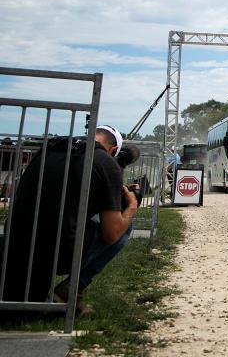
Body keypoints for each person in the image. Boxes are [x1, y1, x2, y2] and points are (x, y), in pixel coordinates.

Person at [1, 125, 138, 312]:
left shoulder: (51, 149)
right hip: (57, 250)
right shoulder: (106, 162)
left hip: (14, 243)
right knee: (124, 227)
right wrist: (131, 207)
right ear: (113, 150)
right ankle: (71, 290)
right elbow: (111, 234)